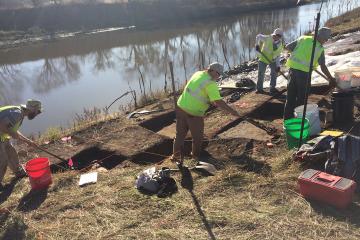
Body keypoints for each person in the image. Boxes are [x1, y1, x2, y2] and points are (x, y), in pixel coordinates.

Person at [172, 63, 240, 163]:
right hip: (194, 113)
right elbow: (218, 101)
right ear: (212, 71)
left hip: (181, 106)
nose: (218, 77)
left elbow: (195, 91)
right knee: (198, 138)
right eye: (218, 74)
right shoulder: (211, 83)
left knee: (179, 135)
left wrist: (208, 101)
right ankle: (195, 158)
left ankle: (175, 157)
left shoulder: (198, 74)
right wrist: (232, 111)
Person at [283, 27, 337, 120]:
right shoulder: (319, 48)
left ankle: (287, 120)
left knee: (290, 98)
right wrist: (331, 78)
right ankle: (299, 121)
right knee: (302, 99)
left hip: (292, 72)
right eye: (325, 38)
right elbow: (323, 66)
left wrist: (295, 53)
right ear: (319, 36)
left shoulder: (303, 39)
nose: (326, 40)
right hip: (304, 75)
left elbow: (288, 47)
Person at [0, 99, 42, 190]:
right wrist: (11, 133)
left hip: (3, 136)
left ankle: (18, 173)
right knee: (3, 161)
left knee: (12, 153)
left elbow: (13, 130)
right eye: (37, 112)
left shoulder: (20, 113)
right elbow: (2, 125)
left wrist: (29, 142)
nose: (37, 114)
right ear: (32, 109)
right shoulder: (17, 114)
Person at [255, 28, 285, 94]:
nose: (276, 37)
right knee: (261, 74)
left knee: (274, 74)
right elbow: (258, 36)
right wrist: (257, 45)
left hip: (273, 60)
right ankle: (259, 89)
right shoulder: (267, 38)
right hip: (263, 58)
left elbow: (277, 55)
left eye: (278, 36)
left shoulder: (280, 45)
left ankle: (272, 88)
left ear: (280, 37)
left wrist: (278, 66)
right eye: (275, 35)